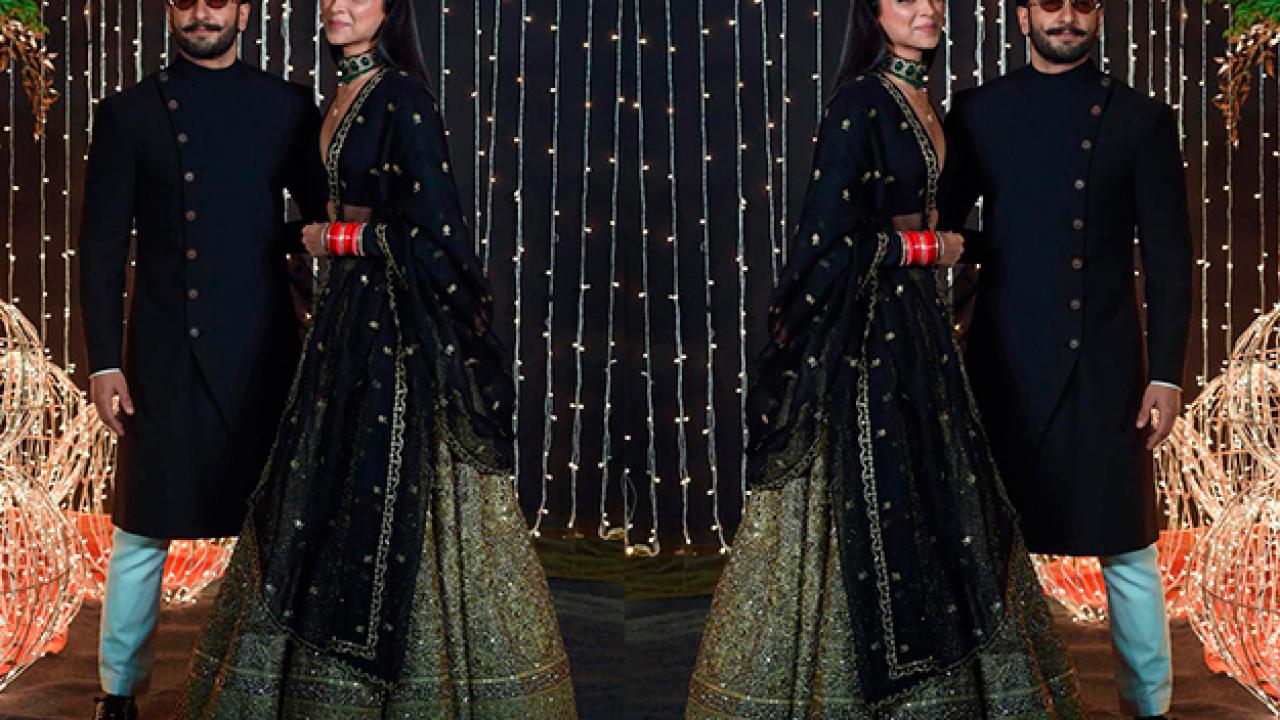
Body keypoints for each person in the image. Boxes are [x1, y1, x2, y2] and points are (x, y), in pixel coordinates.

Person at [175, 1, 577, 717]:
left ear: (390, 10)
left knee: (381, 490)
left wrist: (332, 240)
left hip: (396, 336)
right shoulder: (336, 96)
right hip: (341, 326)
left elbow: (437, 233)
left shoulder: (402, 98)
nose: (337, 5)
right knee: (316, 490)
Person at [686, 0, 1084, 717]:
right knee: (880, 499)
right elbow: (823, 245)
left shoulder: (932, 103)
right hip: (866, 344)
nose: (927, 8)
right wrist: (930, 248)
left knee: (947, 501)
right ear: (874, 13)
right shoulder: (859, 105)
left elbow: (953, 218)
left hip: (923, 333)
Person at [938, 1, 1193, 717]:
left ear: (1098, 15)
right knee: (986, 547)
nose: (1066, 16)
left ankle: (1150, 707)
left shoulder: (1142, 119)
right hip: (1002, 364)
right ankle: (989, 701)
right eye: (1049, 2)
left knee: (1130, 550)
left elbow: (1170, 259)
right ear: (1024, 17)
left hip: (1106, 369)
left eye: (1081, 3)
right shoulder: (978, 111)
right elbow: (942, 225)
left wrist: (1166, 375)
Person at [78, 0, 326, 717]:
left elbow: (324, 213)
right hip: (162, 356)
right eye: (187, 0)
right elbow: (100, 250)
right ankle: (117, 695)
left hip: (264, 351)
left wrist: (289, 242)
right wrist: (103, 363)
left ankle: (280, 683)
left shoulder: (287, 105)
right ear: (169, 10)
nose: (202, 13)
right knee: (140, 529)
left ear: (243, 11)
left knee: (281, 528)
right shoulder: (127, 113)